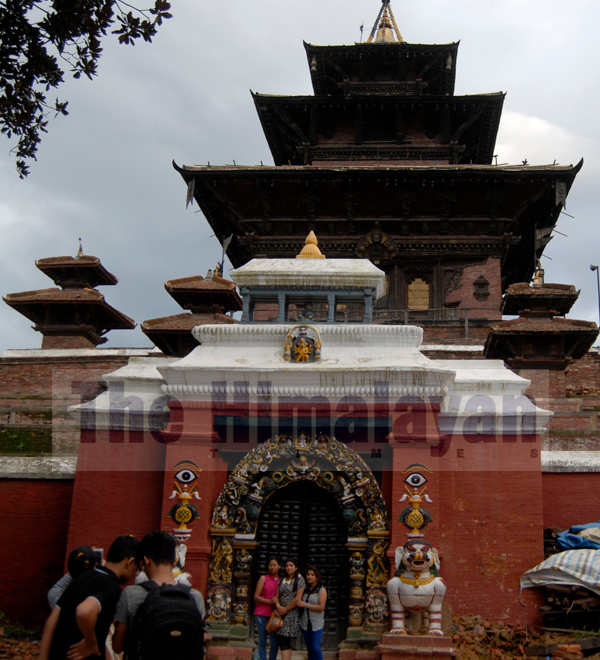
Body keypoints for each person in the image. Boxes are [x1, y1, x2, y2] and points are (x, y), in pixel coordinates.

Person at [39, 534, 140, 660]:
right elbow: (84, 611)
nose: (135, 574)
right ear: (130, 562)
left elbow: (50, 623)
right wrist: (91, 642)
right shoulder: (111, 587)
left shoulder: (80, 577)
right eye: (137, 568)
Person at [112, 530, 206, 657]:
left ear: (145, 560)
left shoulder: (130, 594)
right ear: (174, 561)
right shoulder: (195, 597)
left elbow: (117, 646)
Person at [274, 558, 305, 660]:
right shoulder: (282, 580)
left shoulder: (299, 579)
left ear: (296, 567)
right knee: (283, 639)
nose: (288, 568)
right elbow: (277, 596)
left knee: (284, 638)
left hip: (291, 613)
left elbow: (297, 599)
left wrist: (285, 609)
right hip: (281, 612)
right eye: (287, 566)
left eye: (291, 565)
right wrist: (278, 607)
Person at [296, 565, 327, 660]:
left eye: (312, 575)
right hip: (305, 623)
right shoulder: (305, 590)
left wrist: (306, 604)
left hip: (316, 623)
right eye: (308, 574)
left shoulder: (321, 590)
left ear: (317, 577)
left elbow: (321, 607)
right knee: (309, 649)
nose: (309, 576)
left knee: (316, 648)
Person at [253, 556, 281, 660]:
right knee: (262, 641)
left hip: (274, 614)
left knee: (274, 642)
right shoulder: (263, 578)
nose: (272, 567)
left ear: (279, 566)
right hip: (261, 613)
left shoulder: (281, 581)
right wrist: (269, 601)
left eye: (274, 565)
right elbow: (256, 596)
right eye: (270, 565)